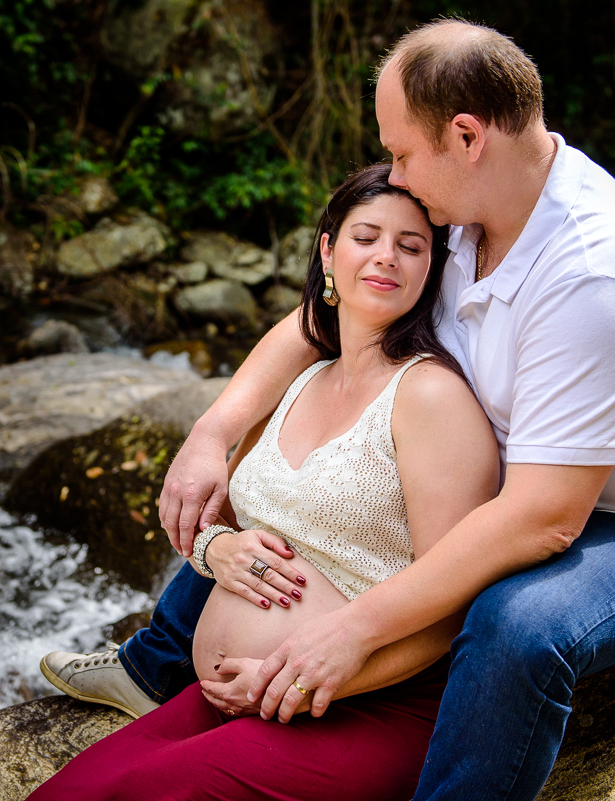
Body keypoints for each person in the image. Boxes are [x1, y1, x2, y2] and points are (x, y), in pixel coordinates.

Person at [43, 19, 615, 801]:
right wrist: (212, 433)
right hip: (529, 467)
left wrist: (349, 633)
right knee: (299, 490)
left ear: (465, 135)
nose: (394, 172)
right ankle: (158, 663)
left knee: (517, 625)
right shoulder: (463, 214)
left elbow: (544, 517)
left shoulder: (597, 281)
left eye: (400, 151)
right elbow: (321, 320)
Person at [33, 164, 500, 800]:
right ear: (328, 252)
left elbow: (454, 603)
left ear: (430, 270)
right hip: (240, 692)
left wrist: (298, 677)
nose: (386, 257)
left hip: (366, 701)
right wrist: (217, 550)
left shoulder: (430, 398)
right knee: (68, 791)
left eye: (411, 246)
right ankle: (151, 674)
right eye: (366, 237)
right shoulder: (304, 377)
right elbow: (229, 522)